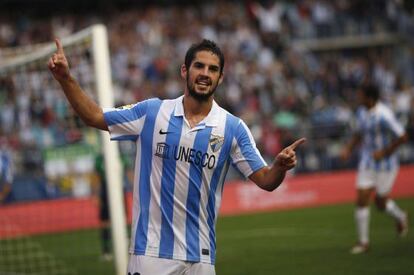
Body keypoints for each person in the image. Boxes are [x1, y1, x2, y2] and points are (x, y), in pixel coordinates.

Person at [48, 38, 305, 274]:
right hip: (150, 254)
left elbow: (266, 180)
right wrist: (65, 79)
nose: (205, 73)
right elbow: (94, 116)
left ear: (221, 78)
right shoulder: (152, 112)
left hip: (201, 258)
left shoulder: (232, 128)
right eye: (199, 66)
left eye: (212, 69)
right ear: (185, 70)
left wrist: (280, 167)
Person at [341, 84, 409, 255]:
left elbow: (402, 136)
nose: (358, 98)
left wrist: (384, 152)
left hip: (386, 165)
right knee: (362, 198)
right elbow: (359, 133)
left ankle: (400, 216)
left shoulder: (383, 115)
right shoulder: (361, 113)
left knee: (380, 202)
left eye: (360, 95)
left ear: (369, 98)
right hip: (367, 163)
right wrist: (349, 149)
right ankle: (364, 243)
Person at [93, 153, 112, 261]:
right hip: (104, 193)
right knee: (104, 223)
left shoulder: (120, 157)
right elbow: (96, 178)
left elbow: (129, 173)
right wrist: (95, 194)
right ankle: (106, 251)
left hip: (119, 192)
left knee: (122, 221)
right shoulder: (99, 160)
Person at [0, 136, 13, 205]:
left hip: (7, 170)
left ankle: (1, 198)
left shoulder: (9, 152)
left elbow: (10, 162)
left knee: (8, 185)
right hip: (2, 170)